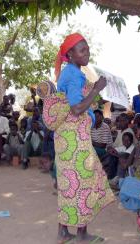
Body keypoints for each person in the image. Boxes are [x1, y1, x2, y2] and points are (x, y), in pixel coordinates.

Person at [49, 33, 115, 243]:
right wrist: (96, 89)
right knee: (83, 184)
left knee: (69, 184)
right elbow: (77, 109)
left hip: (65, 139)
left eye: (87, 48)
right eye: (82, 49)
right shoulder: (74, 75)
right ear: (70, 54)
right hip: (75, 140)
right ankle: (82, 235)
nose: (87, 52)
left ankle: (62, 233)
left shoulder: (68, 73)